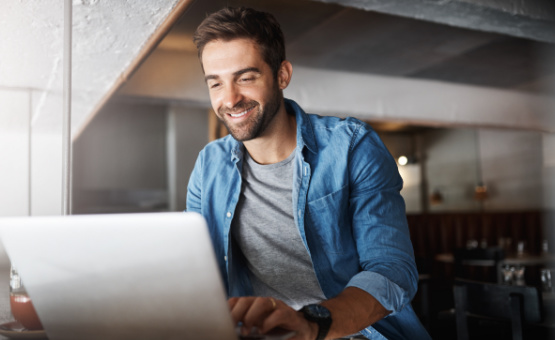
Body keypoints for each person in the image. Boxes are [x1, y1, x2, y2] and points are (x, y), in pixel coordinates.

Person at [187, 6, 431, 340]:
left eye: (246, 78)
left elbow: (392, 271)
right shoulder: (208, 166)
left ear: (282, 75)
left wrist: (312, 324)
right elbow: (198, 272)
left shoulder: (352, 148)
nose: (229, 99)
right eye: (216, 84)